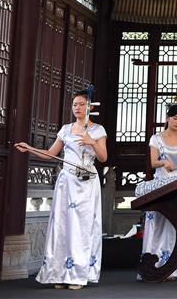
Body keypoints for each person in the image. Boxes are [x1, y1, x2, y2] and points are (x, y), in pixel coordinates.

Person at [15, 90, 107, 290]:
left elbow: (103, 158)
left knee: (81, 227)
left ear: (90, 107)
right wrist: (29, 148)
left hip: (86, 182)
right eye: (75, 104)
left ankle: (77, 274)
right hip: (67, 181)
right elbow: (50, 154)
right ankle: (59, 272)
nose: (77, 108)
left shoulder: (98, 130)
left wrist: (92, 142)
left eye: (82, 104)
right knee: (62, 226)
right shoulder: (65, 129)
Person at [141, 104, 177, 279]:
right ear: (167, 118)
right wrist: (164, 162)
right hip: (160, 183)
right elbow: (153, 162)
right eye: (175, 118)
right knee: (157, 222)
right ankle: (152, 266)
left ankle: (173, 268)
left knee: (175, 223)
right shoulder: (156, 138)